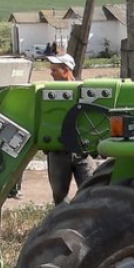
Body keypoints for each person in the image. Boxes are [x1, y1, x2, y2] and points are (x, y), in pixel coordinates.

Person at [45, 53, 93, 204]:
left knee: (89, 192)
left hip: (83, 152)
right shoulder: (48, 94)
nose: (51, 73)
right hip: (57, 152)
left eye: (55, 70)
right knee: (59, 196)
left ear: (66, 70)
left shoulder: (86, 91)